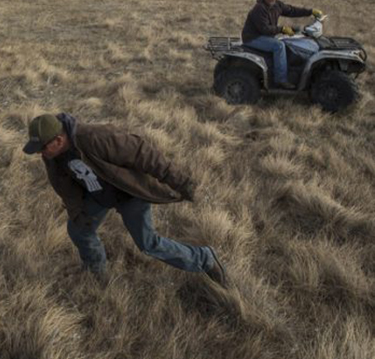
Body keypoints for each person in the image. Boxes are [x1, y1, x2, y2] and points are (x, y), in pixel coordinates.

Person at [23, 113, 228, 288]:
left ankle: (205, 259)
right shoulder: (52, 157)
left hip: (129, 193)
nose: (40, 153)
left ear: (58, 140)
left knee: (149, 244)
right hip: (99, 195)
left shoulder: (95, 137)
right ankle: (96, 275)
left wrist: (182, 183)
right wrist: (77, 211)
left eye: (42, 148)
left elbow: (143, 153)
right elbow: (65, 188)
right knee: (78, 229)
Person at [241, 0, 323, 89]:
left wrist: (310, 12)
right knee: (279, 46)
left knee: (289, 42)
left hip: (266, 36)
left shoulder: (277, 5)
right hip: (253, 38)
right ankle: (281, 80)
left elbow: (291, 10)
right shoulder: (260, 8)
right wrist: (282, 29)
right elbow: (264, 29)